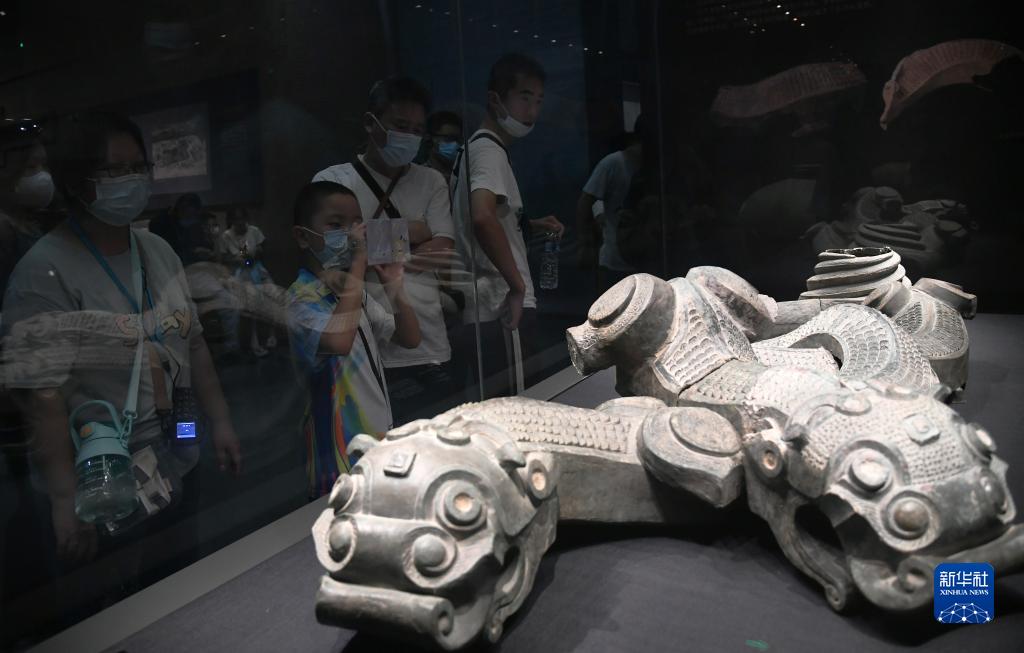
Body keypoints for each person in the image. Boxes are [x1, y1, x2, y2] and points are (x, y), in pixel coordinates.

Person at [1, 111, 241, 571]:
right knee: (117, 583)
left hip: (177, 446)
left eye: (137, 167)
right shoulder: (43, 271)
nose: (130, 180)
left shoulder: (158, 250)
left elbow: (193, 344)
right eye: (113, 170)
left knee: (181, 572)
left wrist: (222, 422)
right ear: (78, 181)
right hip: (103, 470)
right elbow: (42, 395)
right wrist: (63, 499)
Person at [312, 77, 457, 424]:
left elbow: (442, 250)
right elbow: (334, 257)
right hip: (361, 350)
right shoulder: (334, 181)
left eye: (417, 129)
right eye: (400, 126)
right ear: (370, 123)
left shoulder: (431, 181)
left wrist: (367, 244)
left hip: (427, 344)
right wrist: (415, 230)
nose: (410, 136)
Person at [286, 181, 420, 498]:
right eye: (336, 225)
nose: (352, 234)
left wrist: (395, 288)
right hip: (337, 456)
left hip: (378, 439)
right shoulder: (299, 299)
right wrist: (360, 261)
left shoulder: (353, 294)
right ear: (303, 236)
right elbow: (339, 342)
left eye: (356, 224)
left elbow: (410, 338)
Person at [450, 53, 564, 398]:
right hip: (501, 303)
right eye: (524, 97)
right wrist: (516, 286)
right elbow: (482, 216)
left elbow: (490, 216)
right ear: (495, 99)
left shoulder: (479, 148)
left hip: (490, 302)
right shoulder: (488, 151)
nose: (532, 110)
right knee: (519, 406)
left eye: (539, 100)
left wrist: (528, 224)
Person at [576, 115, 645, 290]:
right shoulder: (612, 163)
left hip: (645, 259)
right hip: (614, 260)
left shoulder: (656, 166)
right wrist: (585, 243)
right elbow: (586, 201)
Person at [220, 206, 276, 357]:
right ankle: (254, 343)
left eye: (242, 218)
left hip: (257, 270)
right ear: (231, 221)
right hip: (240, 275)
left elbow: (260, 251)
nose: (240, 222)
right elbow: (224, 257)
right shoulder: (226, 236)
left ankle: (271, 335)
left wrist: (253, 255)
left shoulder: (254, 231)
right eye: (236, 219)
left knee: (272, 297)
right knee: (250, 305)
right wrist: (240, 259)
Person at [422, 111, 463, 184]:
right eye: (449, 138)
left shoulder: (463, 177)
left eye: (457, 139)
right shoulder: (420, 177)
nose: (455, 144)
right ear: (429, 139)